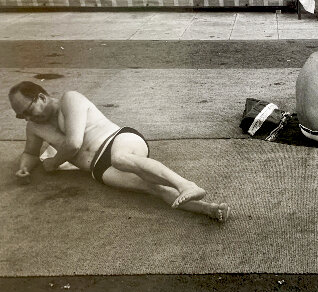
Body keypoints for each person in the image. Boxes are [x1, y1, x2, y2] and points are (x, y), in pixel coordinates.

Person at [8, 81, 230, 222]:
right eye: (21, 116)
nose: (26, 118)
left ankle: (186, 184)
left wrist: (54, 162)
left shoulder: (70, 98)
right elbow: (30, 153)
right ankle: (209, 209)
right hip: (98, 169)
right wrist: (24, 169)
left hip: (118, 140)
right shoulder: (34, 127)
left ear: (41, 98)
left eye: (27, 111)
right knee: (153, 189)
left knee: (122, 159)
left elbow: (74, 143)